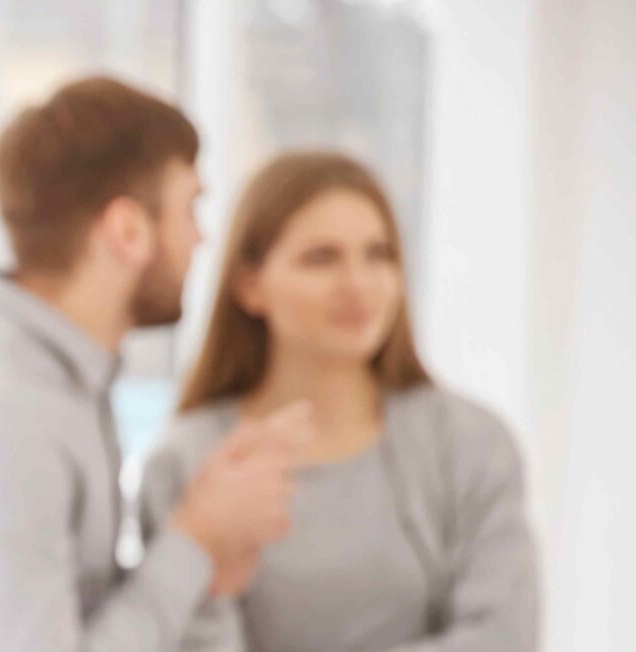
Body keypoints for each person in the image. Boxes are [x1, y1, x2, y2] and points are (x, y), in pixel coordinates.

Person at [0, 76, 313, 652]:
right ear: (128, 231)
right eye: (191, 208)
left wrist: (206, 554)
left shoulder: (60, 381)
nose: (202, 239)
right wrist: (195, 541)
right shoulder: (3, 414)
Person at [141, 151, 539, 652]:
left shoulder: (469, 444)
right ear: (250, 284)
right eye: (321, 258)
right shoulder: (186, 464)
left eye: (378, 254)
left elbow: (504, 639)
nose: (358, 284)